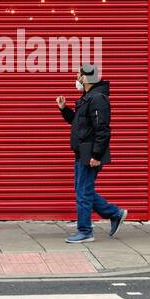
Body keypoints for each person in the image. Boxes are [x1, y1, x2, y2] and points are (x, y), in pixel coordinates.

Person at [56, 63, 125, 243]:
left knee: (83, 192)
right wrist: (64, 109)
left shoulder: (98, 99)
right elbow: (78, 124)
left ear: (86, 78)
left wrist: (96, 155)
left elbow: (102, 130)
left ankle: (85, 230)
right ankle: (114, 213)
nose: (76, 78)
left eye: (79, 75)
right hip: (82, 151)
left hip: (89, 153)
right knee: (83, 190)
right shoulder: (88, 97)